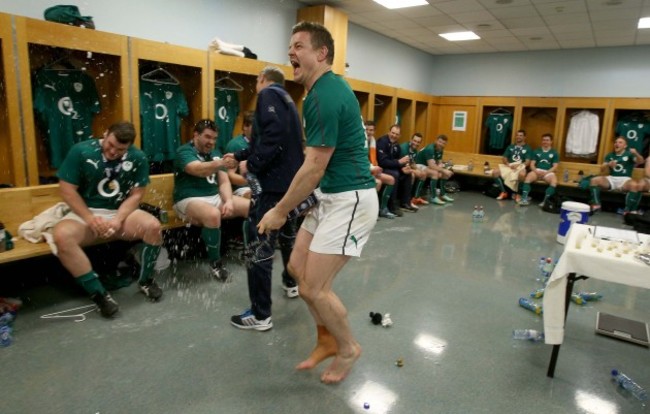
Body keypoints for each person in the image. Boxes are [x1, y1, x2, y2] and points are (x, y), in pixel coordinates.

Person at [257, 21, 378, 384]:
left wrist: (280, 211)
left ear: (321, 53)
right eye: (290, 46)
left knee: (314, 288)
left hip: (351, 199)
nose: (290, 52)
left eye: (299, 46)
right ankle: (325, 338)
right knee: (296, 267)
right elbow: (319, 167)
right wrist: (311, 200)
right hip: (331, 196)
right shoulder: (322, 90)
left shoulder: (325, 94)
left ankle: (348, 348)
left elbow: (313, 166)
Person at [52, 121, 163, 318]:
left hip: (119, 211)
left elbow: (137, 195)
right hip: (85, 212)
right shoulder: (81, 151)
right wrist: (90, 218)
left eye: (120, 149)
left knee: (153, 227)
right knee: (61, 236)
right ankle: (99, 295)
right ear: (105, 133)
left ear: (128, 146)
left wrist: (118, 219)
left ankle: (146, 280)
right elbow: (67, 190)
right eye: (110, 145)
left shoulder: (137, 157)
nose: (113, 152)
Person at [225, 66, 304, 331]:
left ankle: (260, 316)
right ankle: (289, 284)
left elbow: (272, 137)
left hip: (271, 187)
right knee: (286, 239)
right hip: (288, 186)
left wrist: (253, 164)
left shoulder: (268, 95)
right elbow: (269, 139)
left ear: (262, 80)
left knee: (258, 248)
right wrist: (238, 156)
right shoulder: (288, 100)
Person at [172, 119, 250, 281]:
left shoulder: (215, 153)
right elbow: (198, 170)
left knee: (252, 206)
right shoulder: (184, 151)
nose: (211, 142)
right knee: (213, 214)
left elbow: (223, 181)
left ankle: (250, 250)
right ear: (196, 135)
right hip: (188, 199)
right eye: (207, 137)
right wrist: (221, 162)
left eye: (214, 138)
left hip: (213, 197)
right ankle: (216, 264)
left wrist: (228, 200)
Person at [587, 136, 644, 213]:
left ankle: (627, 211)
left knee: (634, 185)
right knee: (594, 180)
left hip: (625, 180)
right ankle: (596, 204)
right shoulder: (610, 155)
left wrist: (636, 153)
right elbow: (602, 168)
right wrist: (608, 164)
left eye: (620, 142)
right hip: (612, 178)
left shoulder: (629, 155)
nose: (617, 144)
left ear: (625, 146)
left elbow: (641, 161)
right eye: (616, 142)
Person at [376, 124, 412, 217]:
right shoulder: (382, 142)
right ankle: (391, 206)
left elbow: (399, 160)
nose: (394, 135)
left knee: (408, 174)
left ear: (399, 136)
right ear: (389, 132)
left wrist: (403, 167)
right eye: (393, 133)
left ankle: (405, 203)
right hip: (381, 168)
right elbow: (382, 162)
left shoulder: (396, 145)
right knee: (394, 175)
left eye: (397, 134)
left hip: (392, 167)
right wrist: (399, 163)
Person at [365, 120, 397, 218]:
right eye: (367, 129)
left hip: (371, 169)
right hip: (362, 171)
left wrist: (376, 167)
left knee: (391, 179)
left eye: (371, 130)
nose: (369, 132)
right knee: (378, 183)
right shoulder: (361, 142)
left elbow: (373, 160)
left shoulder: (373, 141)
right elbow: (360, 160)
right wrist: (372, 168)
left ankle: (383, 209)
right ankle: (369, 212)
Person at [518, 133, 559, 206]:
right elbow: (532, 164)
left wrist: (546, 173)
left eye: (547, 140)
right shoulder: (537, 151)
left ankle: (545, 202)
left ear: (551, 141)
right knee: (528, 178)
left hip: (548, 172)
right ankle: (524, 199)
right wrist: (536, 171)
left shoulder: (554, 152)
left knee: (554, 182)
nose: (545, 142)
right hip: (537, 170)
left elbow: (555, 166)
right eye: (543, 140)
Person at [491, 129, 532, 200]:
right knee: (495, 172)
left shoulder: (527, 148)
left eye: (521, 135)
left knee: (522, 175)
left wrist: (518, 165)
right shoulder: (510, 147)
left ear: (525, 137)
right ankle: (504, 192)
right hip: (509, 165)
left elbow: (527, 162)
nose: (518, 137)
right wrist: (507, 164)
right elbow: (504, 158)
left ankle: (518, 194)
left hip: (520, 166)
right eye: (517, 135)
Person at [414, 134, 455, 205]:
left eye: (443, 143)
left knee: (444, 174)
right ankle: (433, 197)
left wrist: (444, 169)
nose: (441, 144)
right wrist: (443, 170)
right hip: (418, 164)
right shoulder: (430, 149)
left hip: (427, 165)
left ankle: (442, 194)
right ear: (436, 141)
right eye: (440, 142)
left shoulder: (441, 149)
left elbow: (439, 162)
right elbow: (431, 165)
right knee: (435, 173)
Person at [224, 111, 254, 199]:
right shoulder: (235, 145)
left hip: (260, 186)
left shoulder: (261, 144)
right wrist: (253, 181)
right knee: (257, 197)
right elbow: (230, 176)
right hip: (241, 188)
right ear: (245, 126)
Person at [398, 133, 425, 212]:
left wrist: (417, 169)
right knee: (412, 175)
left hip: (406, 167)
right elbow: (404, 165)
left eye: (418, 142)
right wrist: (414, 170)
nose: (416, 143)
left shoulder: (415, 150)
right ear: (411, 140)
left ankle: (415, 198)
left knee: (422, 173)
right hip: (399, 168)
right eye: (415, 141)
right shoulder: (404, 148)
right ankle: (407, 200)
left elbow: (412, 162)